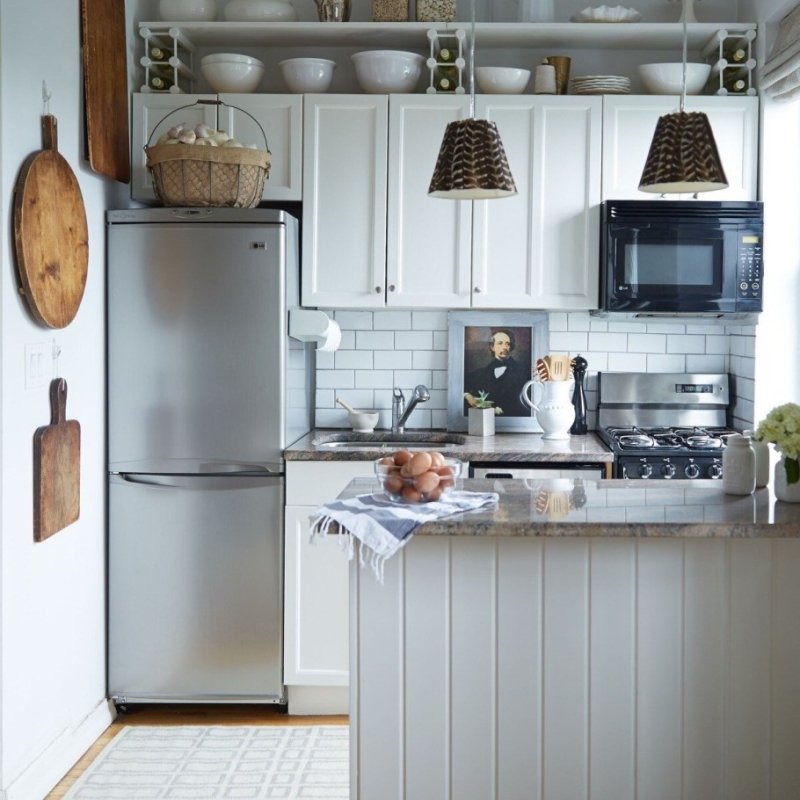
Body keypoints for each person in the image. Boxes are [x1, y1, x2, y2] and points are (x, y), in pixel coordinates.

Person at [463, 329, 530, 417]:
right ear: (492, 347)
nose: (505, 347)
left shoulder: (522, 370)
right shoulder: (481, 373)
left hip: (511, 420)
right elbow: (461, 385)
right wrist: (467, 395)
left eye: (507, 344)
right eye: (500, 343)